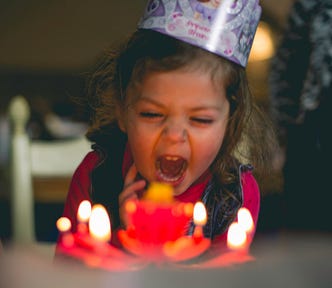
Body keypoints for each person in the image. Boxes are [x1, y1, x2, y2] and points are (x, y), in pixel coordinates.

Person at [56, 0, 276, 255]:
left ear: (230, 121)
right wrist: (125, 240)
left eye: (201, 119)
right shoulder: (96, 177)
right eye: (152, 114)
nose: (174, 136)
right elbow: (69, 275)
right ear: (122, 110)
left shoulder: (235, 196)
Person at [269, 0, 332, 231]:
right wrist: (286, 135)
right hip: (314, 136)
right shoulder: (312, 4)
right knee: (307, 237)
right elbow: (288, 65)